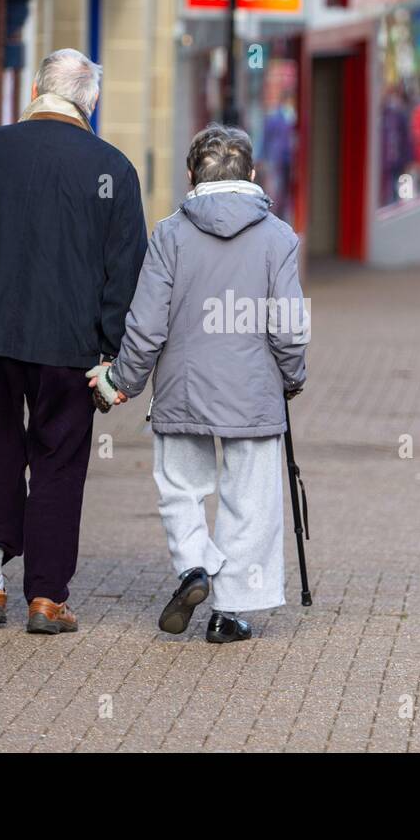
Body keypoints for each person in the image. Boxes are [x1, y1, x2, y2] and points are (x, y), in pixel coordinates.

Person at [0, 49, 148, 633]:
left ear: (37, 91)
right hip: (69, 349)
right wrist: (110, 354)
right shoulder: (113, 168)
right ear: (88, 104)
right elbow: (127, 275)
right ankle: (46, 598)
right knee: (58, 465)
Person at [86, 124, 308, 644]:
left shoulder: (169, 234)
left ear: (190, 176)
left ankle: (194, 567)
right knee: (249, 499)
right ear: (252, 175)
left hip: (183, 387)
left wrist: (123, 379)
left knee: (180, 487)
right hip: (253, 391)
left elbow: (145, 324)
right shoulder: (278, 237)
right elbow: (290, 328)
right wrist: (291, 379)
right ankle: (229, 613)